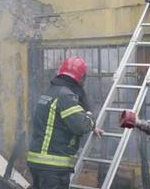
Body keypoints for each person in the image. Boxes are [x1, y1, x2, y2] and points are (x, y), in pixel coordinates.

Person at [27, 56, 103, 189]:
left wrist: (91, 126)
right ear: (81, 78)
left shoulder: (51, 92)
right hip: (53, 165)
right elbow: (81, 125)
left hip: (37, 161)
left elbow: (61, 121)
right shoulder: (65, 96)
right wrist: (90, 117)